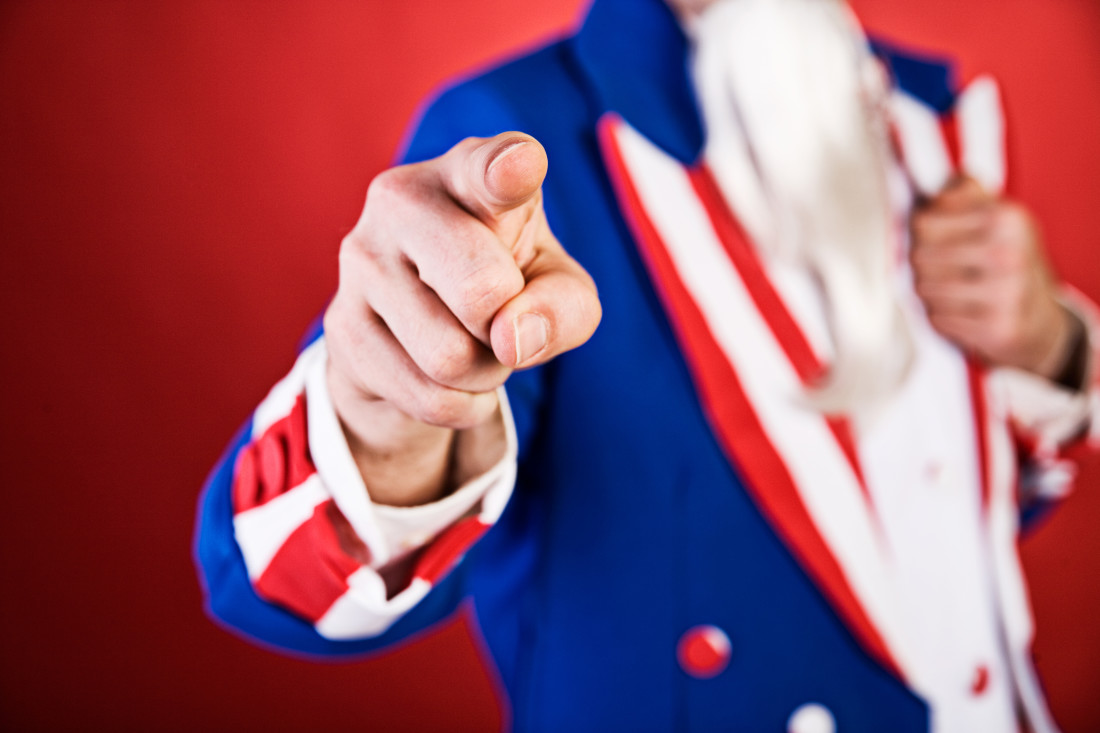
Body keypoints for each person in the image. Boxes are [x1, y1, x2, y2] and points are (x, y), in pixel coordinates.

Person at [194, 0, 1097, 730]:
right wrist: (385, 410)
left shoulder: (932, 118)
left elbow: (944, 507)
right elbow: (276, 583)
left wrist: (1049, 344)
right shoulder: (516, 132)